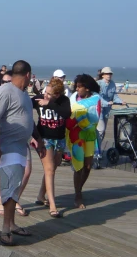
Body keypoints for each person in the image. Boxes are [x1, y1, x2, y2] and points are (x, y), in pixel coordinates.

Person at [0, 60, 45, 246]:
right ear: (28, 75)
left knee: (15, 185)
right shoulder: (5, 91)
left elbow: (29, 120)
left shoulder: (24, 94)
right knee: (9, 186)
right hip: (7, 146)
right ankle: (5, 228)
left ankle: (12, 224)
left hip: (21, 146)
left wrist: (38, 139)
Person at [33, 77, 71, 218]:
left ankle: (40, 195)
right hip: (44, 139)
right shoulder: (38, 99)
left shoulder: (64, 101)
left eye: (49, 94)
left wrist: (49, 104)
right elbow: (23, 106)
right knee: (49, 169)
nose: (45, 95)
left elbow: (67, 113)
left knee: (53, 168)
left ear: (57, 95)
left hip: (60, 139)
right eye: (45, 92)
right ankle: (52, 205)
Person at [68, 74, 103, 208]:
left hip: (89, 134)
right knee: (79, 166)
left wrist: (81, 120)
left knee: (88, 166)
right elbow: (69, 115)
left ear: (87, 88)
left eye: (79, 87)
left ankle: (79, 189)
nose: (77, 89)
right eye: (76, 86)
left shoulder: (96, 99)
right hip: (76, 136)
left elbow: (96, 118)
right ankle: (78, 195)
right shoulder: (73, 98)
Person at [96, 67, 122, 166]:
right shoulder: (98, 84)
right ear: (103, 75)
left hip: (107, 110)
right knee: (101, 130)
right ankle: (96, 152)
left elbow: (114, 95)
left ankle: (97, 150)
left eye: (110, 74)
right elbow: (98, 97)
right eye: (107, 74)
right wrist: (107, 103)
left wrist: (120, 101)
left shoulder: (112, 84)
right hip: (99, 110)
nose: (109, 75)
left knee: (102, 132)